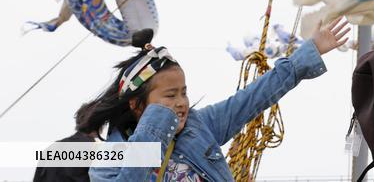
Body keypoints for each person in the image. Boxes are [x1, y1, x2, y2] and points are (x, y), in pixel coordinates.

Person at [79, 19, 349, 181]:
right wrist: (156, 125)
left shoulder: (201, 125)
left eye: (183, 92)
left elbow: (255, 96)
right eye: (170, 95)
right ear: (137, 106)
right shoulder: (110, 159)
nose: (181, 102)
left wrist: (308, 53)